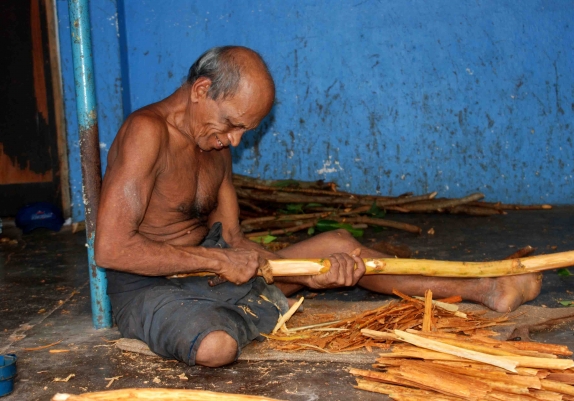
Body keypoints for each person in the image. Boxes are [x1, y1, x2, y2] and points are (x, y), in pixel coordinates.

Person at [95, 46, 542, 368]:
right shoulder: (145, 133)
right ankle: (240, 314)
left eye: (244, 131)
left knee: (341, 247)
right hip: (149, 287)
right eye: (231, 125)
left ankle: (487, 289)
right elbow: (112, 250)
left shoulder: (215, 145)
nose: (233, 141)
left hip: (216, 274)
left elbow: (234, 243)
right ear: (201, 88)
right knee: (215, 348)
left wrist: (308, 272)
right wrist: (218, 259)